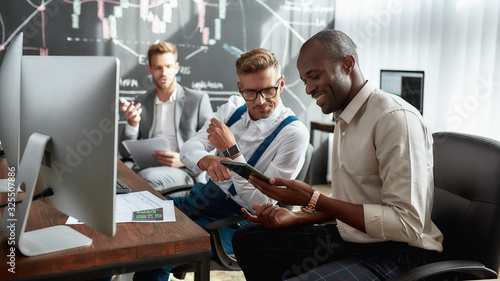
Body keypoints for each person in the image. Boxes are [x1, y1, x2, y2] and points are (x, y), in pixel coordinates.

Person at [232, 30, 444, 281]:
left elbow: (407, 224)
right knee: (248, 238)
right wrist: (295, 217)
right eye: (304, 81)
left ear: (348, 64)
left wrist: (313, 199)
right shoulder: (345, 116)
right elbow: (352, 199)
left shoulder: (394, 119)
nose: (309, 89)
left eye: (314, 76)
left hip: (399, 253)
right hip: (351, 238)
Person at [132, 48, 310, 281]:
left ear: (282, 83)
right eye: (250, 92)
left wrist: (232, 152)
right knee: (133, 220)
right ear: (239, 88)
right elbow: (189, 148)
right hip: (199, 199)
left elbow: (264, 202)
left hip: (238, 221)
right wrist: (206, 159)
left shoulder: (293, 134)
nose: (260, 101)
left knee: (162, 248)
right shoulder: (232, 108)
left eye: (268, 90)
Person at [119, 42, 213, 193]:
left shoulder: (198, 100)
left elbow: (213, 147)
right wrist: (132, 123)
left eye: (168, 67)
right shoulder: (141, 102)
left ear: (176, 68)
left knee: (144, 178)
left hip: (185, 171)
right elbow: (124, 153)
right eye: (158, 68)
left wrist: (183, 159)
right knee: (117, 173)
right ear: (149, 70)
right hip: (148, 167)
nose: (164, 73)